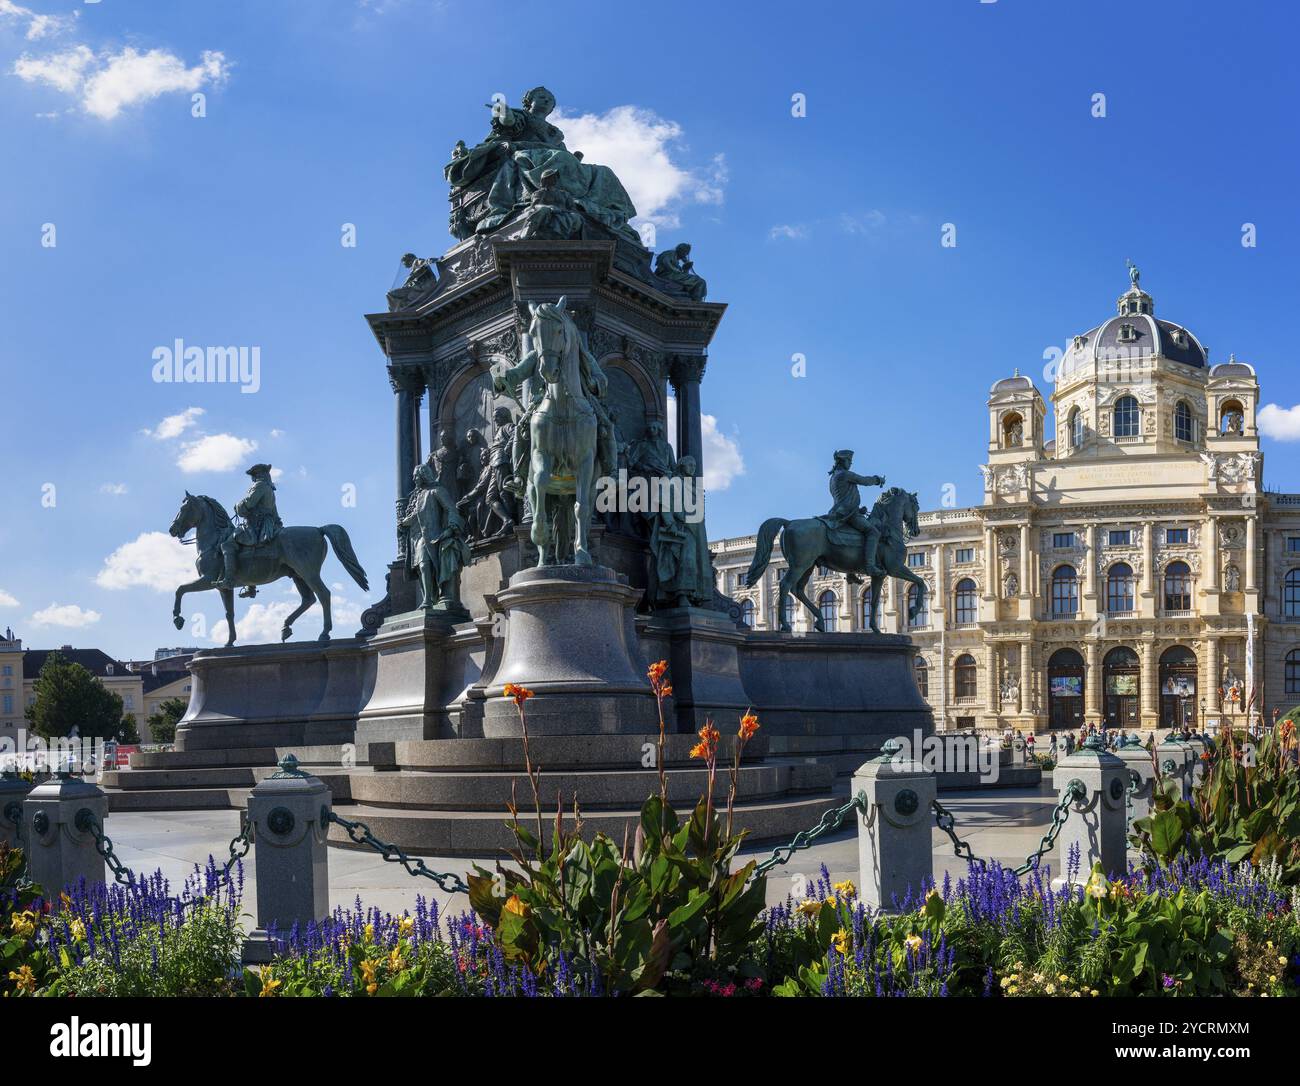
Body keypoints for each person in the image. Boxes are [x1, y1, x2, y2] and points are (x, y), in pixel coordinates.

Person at [216, 463, 282, 592]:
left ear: (257, 475)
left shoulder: (259, 486)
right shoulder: (269, 488)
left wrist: (237, 506)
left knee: (227, 544)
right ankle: (250, 585)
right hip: (267, 523)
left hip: (255, 524)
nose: (252, 478)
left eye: (253, 475)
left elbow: (248, 504)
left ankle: (229, 579)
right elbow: (275, 513)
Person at [822, 449, 886, 575]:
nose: (850, 464)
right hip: (847, 514)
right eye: (849, 461)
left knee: (853, 538)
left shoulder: (834, 477)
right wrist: (878, 479)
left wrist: (858, 509)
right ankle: (870, 566)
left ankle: (850, 573)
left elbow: (843, 498)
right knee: (873, 532)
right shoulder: (844, 474)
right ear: (843, 461)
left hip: (842, 512)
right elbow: (865, 481)